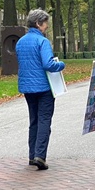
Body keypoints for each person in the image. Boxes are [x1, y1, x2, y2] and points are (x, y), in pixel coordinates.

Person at [16, 9, 65, 170]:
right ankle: (40, 156)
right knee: (44, 120)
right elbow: (48, 64)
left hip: (27, 88)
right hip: (44, 87)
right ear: (38, 23)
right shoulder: (42, 41)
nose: (47, 27)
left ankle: (32, 155)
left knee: (34, 120)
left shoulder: (20, 42)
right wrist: (61, 65)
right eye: (45, 23)